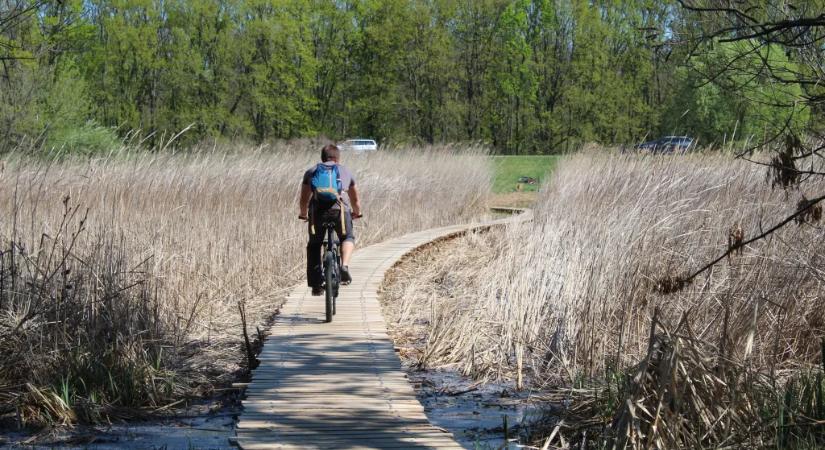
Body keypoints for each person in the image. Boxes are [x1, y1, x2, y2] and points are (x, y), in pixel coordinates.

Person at [298, 144, 362, 296]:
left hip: (317, 213)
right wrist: (357, 213)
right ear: (337, 158)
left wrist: (303, 214)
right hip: (340, 211)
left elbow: (303, 199)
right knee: (347, 237)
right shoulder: (345, 171)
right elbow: (355, 199)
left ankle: (316, 285)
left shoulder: (312, 171)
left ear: (322, 158)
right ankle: (344, 265)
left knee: (314, 245)